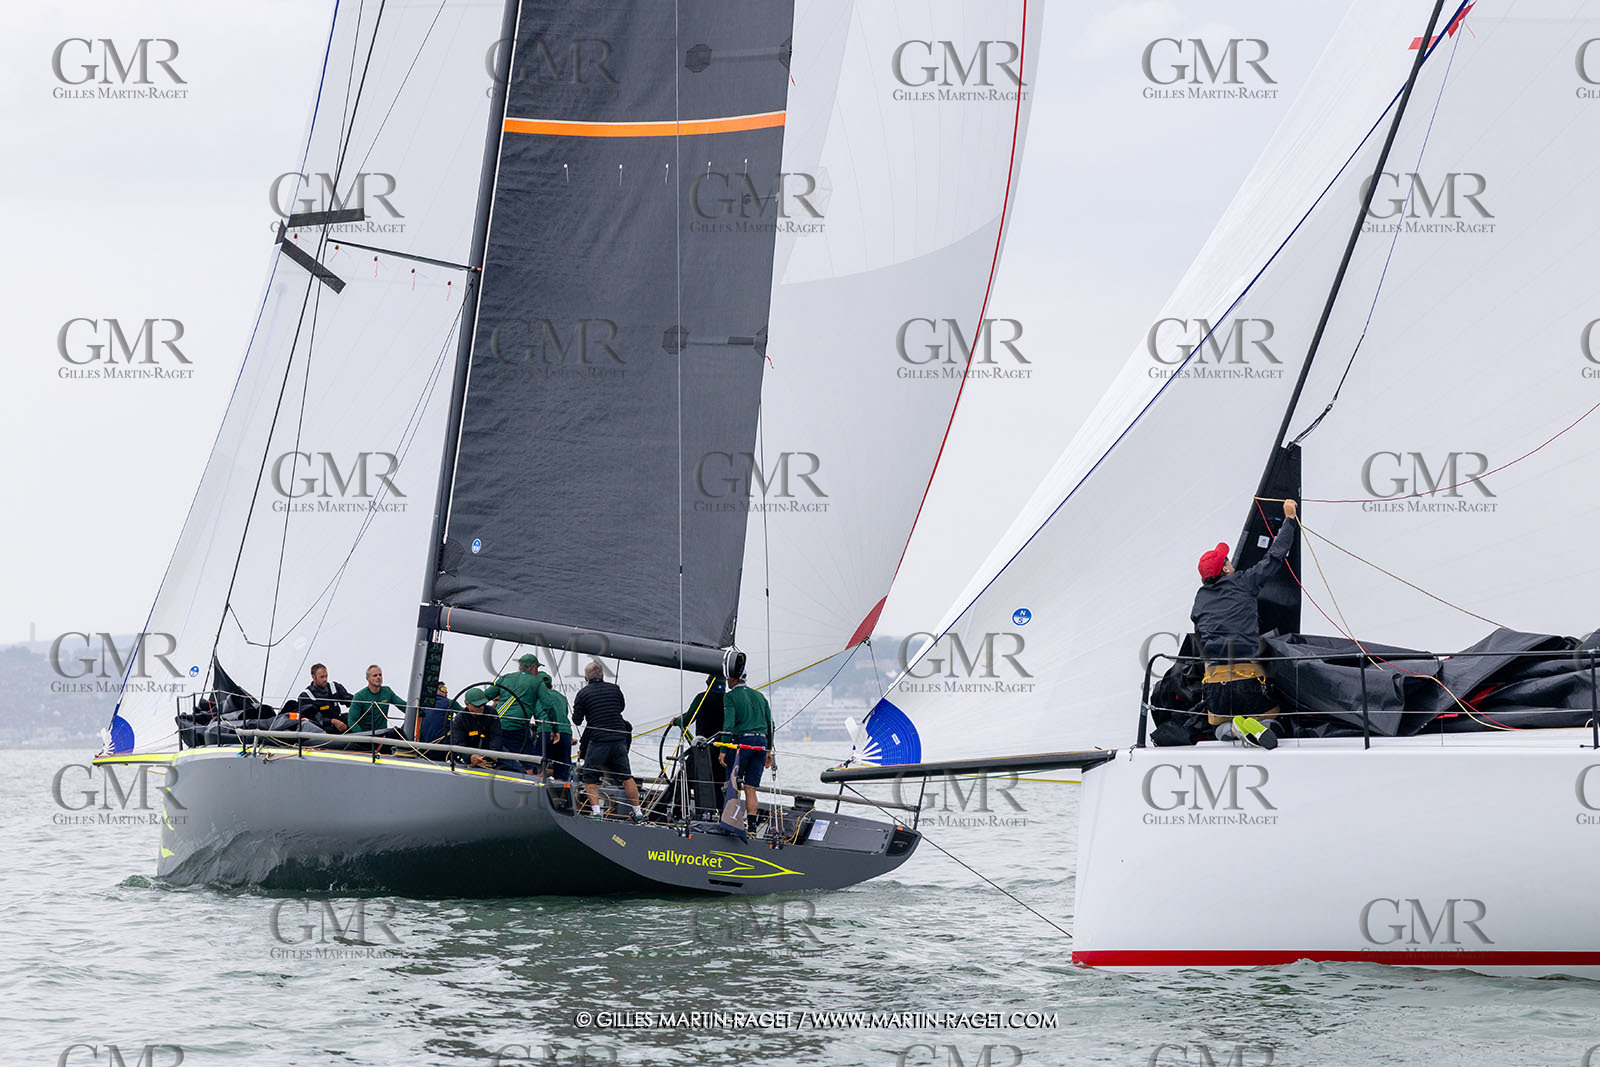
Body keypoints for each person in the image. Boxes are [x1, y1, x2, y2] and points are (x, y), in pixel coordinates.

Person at [1191, 499, 1299, 750]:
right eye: (1227, 561)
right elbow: (1274, 556)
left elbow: (1200, 635)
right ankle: (1260, 725)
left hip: (1215, 685)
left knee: (1218, 724)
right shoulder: (1244, 582)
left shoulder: (1200, 598)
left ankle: (1231, 729)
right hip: (1248, 680)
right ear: (1226, 569)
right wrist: (1289, 520)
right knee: (1274, 717)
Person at [570, 659, 642, 820]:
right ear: (602, 675)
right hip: (619, 739)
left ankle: (596, 812)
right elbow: (621, 707)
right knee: (626, 777)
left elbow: (577, 720)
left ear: (586, 678)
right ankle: (638, 813)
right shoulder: (615, 689)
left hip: (599, 741)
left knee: (589, 778)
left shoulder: (583, 694)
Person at [720, 672, 774, 835]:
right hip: (761, 743)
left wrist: (723, 750)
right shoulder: (760, 696)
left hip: (742, 742)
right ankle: (752, 828)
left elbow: (728, 724)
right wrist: (769, 750)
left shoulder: (730, 697)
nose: (727, 682)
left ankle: (731, 824)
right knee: (750, 787)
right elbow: (770, 725)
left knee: (732, 784)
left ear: (734, 679)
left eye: (728, 678)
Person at [494, 653, 545, 773]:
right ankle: (530, 777)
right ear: (532, 667)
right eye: (537, 668)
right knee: (529, 760)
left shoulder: (505, 678)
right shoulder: (536, 681)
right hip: (517, 728)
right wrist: (555, 728)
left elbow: (487, 695)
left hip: (497, 725)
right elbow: (548, 705)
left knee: (497, 751)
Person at [534, 669, 574, 784]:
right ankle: (560, 793)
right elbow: (563, 714)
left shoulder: (536, 696)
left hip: (546, 731)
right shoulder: (562, 697)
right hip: (565, 734)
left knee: (534, 766)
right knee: (561, 772)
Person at [345, 664, 408, 734]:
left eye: (380, 675)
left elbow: (403, 706)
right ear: (367, 678)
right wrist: (362, 736)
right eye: (375, 675)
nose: (378, 677)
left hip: (382, 734)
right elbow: (352, 721)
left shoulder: (387, 691)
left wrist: (416, 709)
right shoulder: (359, 696)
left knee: (398, 732)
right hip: (365, 736)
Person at [450, 687, 503, 768]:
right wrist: (470, 757)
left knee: (516, 767)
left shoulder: (491, 712)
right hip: (470, 755)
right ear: (467, 704)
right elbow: (458, 743)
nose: (481, 707)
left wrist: (494, 751)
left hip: (491, 752)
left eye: (483, 704)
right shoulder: (460, 719)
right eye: (477, 705)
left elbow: (496, 734)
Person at [296, 664, 350, 732]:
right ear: (313, 677)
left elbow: (350, 701)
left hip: (338, 719)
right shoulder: (305, 696)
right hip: (321, 727)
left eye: (326, 676)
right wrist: (332, 721)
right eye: (322, 677)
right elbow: (310, 719)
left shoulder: (334, 687)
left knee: (351, 717)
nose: (325, 679)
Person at [416, 681, 458, 756]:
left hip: (423, 749)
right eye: (443, 689)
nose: (446, 692)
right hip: (445, 749)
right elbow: (468, 714)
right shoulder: (450, 703)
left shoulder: (423, 705)